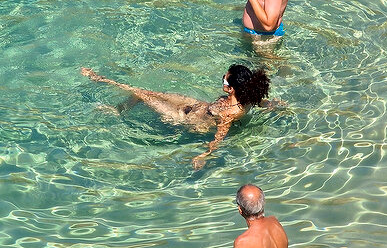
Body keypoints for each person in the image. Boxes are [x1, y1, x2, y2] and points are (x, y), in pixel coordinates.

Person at [81, 64, 271, 169]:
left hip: (184, 118)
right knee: (147, 91)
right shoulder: (247, 97)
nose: (221, 78)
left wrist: (204, 155)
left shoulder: (230, 113)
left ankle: (111, 98)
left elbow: (220, 136)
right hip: (195, 105)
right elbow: (260, 101)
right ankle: (102, 80)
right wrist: (273, 105)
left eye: (224, 77)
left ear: (230, 89)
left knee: (141, 94)